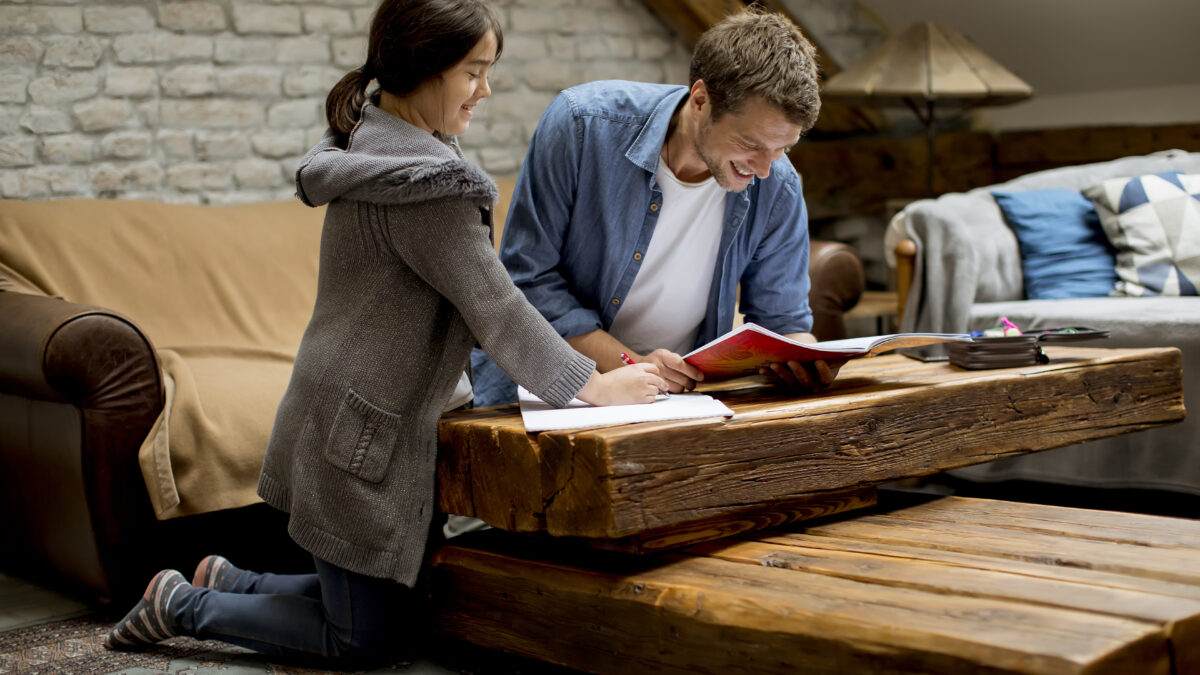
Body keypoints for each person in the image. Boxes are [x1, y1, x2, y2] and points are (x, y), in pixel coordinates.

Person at [103, 0, 665, 669]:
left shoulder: (370, 142)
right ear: (426, 68)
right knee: (365, 637)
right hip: (361, 432)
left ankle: (230, 579)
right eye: (474, 72)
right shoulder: (430, 184)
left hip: (342, 408)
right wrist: (596, 385)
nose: (486, 89)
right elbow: (498, 309)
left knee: (393, 598)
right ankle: (182, 603)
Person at [471, 8, 844, 408]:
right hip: (545, 395)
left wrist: (807, 354)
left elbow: (782, 320)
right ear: (700, 100)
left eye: (783, 148)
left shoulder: (779, 183)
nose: (766, 169)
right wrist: (632, 364)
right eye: (751, 145)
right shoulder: (582, 126)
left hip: (678, 404)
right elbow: (529, 281)